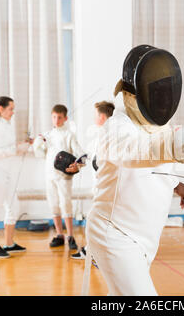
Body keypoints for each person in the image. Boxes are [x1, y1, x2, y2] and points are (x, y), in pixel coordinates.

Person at [83, 45, 184, 296]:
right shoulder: (116, 127)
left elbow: (156, 167)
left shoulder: (159, 126)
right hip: (115, 234)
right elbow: (136, 152)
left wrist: (178, 186)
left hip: (146, 238)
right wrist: (172, 145)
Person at [33, 104, 85, 251]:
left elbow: (82, 155)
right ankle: (59, 235)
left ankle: (70, 236)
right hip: (49, 175)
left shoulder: (69, 135)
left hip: (64, 177)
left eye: (59, 117)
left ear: (65, 118)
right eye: (54, 117)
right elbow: (41, 153)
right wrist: (38, 143)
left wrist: (78, 165)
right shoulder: (47, 135)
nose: (56, 120)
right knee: (53, 204)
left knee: (65, 204)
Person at [0, 96, 30, 259]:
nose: (13, 112)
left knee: (13, 207)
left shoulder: (7, 125)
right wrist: (17, 149)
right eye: (10, 109)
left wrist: (23, 145)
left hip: (8, 173)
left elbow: (8, 146)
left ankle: (9, 244)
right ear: (1, 109)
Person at [71, 101, 115, 260]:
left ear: (102, 116)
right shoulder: (100, 134)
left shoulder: (110, 135)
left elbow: (102, 162)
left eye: (95, 115)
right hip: (100, 186)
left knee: (98, 221)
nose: (94, 118)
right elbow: (90, 156)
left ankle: (92, 252)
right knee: (100, 221)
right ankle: (95, 251)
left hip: (106, 187)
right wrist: (77, 163)